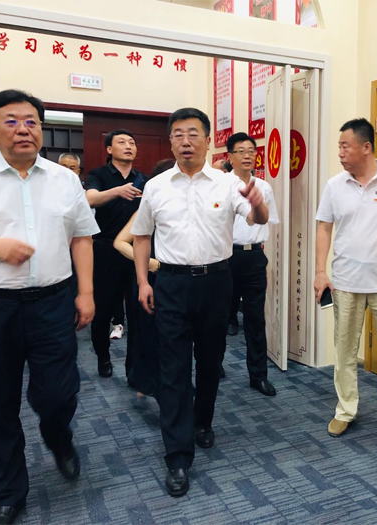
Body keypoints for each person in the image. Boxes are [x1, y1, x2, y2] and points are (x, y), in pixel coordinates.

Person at [0, 89, 99, 525]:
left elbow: (82, 237)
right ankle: (7, 494)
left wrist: (86, 292)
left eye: (31, 121)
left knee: (59, 394)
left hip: (53, 302)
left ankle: (58, 437)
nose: (23, 129)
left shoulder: (65, 179)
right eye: (11, 121)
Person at [131, 108, 268, 498]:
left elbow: (258, 218)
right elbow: (141, 236)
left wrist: (257, 202)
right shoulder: (156, 186)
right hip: (171, 283)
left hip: (216, 282)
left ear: (208, 141)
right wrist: (143, 282)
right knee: (173, 368)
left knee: (210, 361)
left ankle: (203, 420)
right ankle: (177, 455)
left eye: (193, 134)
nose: (185, 141)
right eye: (178, 134)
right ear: (171, 141)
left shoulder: (227, 184)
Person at [313, 118, 377, 438]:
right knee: (344, 350)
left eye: (346, 146)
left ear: (366, 147)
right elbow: (324, 228)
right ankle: (345, 409)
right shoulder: (334, 185)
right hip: (346, 281)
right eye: (339, 146)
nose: (340, 152)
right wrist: (320, 272)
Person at [113, 158, 176, 398]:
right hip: (148, 278)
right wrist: (148, 263)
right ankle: (146, 383)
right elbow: (120, 242)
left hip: (175, 279)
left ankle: (169, 382)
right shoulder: (147, 208)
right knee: (147, 333)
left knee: (172, 336)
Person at [85, 130, 146, 378]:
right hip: (105, 249)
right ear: (109, 149)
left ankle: (134, 367)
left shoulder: (143, 179)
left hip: (135, 250)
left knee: (137, 310)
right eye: (122, 142)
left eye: (132, 142)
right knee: (102, 310)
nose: (128, 146)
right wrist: (117, 191)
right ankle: (103, 356)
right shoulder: (98, 175)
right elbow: (91, 199)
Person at [224, 132, 279, 395]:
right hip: (225, 258)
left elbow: (267, 220)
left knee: (255, 319)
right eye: (241, 151)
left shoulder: (263, 187)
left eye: (251, 151)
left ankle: (258, 375)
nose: (247, 155)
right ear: (230, 157)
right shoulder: (221, 184)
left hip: (255, 257)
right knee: (219, 316)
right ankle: (213, 365)